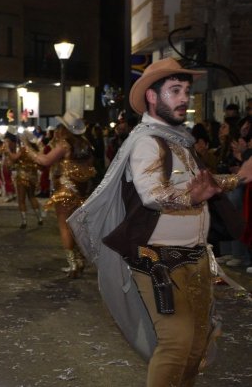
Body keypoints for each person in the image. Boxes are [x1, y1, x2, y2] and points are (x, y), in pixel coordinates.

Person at [67, 57, 252, 387]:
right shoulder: (147, 143)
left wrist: (236, 179)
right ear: (152, 97)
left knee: (196, 344)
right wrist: (195, 197)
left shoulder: (177, 141)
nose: (184, 99)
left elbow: (198, 183)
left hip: (193, 258)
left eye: (186, 91)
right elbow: (153, 195)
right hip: (157, 263)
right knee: (177, 343)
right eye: (174, 90)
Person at [24, 111, 95, 277]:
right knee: (78, 228)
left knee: (65, 227)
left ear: (65, 128)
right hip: (82, 191)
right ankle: (79, 261)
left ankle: (72, 265)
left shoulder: (65, 144)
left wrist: (28, 149)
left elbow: (44, 161)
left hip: (66, 190)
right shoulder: (84, 143)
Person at [4, 130, 43, 228]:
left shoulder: (23, 149)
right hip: (33, 177)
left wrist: (8, 151)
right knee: (32, 196)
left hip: (22, 176)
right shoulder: (35, 150)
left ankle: (24, 221)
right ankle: (39, 218)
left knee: (21, 200)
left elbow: (14, 158)